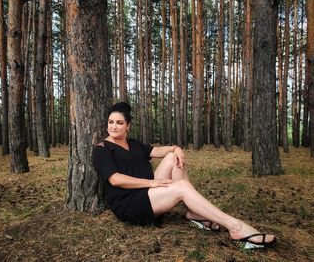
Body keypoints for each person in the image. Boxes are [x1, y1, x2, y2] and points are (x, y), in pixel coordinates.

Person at [92, 102, 276, 250]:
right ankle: (235, 227)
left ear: (128, 126)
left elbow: (157, 150)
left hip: (146, 192)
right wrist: (153, 182)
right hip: (128, 203)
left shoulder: (133, 143)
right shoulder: (102, 149)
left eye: (119, 122)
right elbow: (115, 179)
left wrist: (175, 148)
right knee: (182, 187)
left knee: (173, 158)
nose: (113, 126)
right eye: (110, 122)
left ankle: (195, 212)